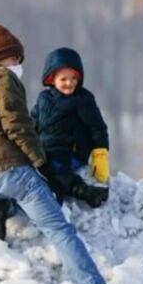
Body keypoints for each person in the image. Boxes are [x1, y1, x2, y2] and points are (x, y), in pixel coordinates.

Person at [0, 24, 143, 284]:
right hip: (9, 168)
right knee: (59, 227)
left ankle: (1, 206)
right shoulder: (1, 78)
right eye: (17, 60)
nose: (19, 66)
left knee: (31, 199)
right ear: (6, 57)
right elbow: (18, 126)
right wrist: (40, 163)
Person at [30, 47, 109, 208]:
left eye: (74, 78)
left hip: (71, 152)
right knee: (34, 170)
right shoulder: (43, 98)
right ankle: (77, 191)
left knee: (51, 172)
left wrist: (100, 153)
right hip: (46, 151)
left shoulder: (82, 99)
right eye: (64, 79)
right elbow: (33, 122)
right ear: (51, 79)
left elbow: (97, 127)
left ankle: (80, 192)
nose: (70, 83)